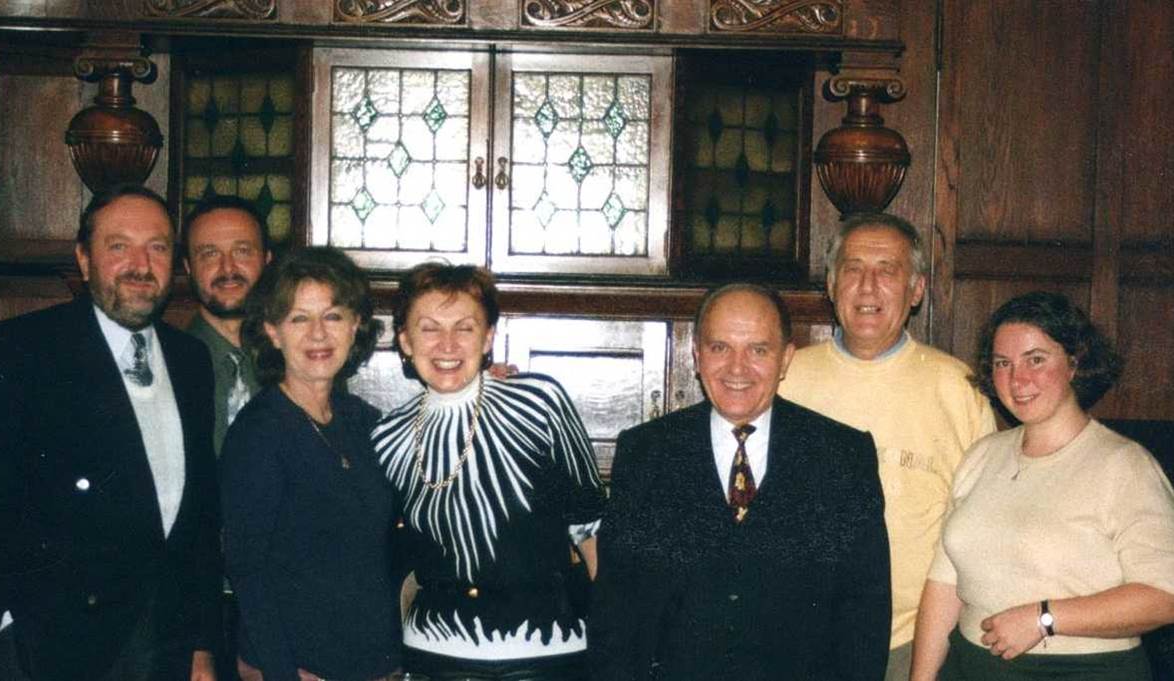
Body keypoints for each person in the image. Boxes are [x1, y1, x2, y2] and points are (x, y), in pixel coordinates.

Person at [0, 184, 220, 681]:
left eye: (157, 247)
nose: (140, 265)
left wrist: (202, 643)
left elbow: (199, 518)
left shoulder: (190, 360)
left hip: (163, 645)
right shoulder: (23, 349)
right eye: (119, 246)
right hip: (50, 647)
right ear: (84, 259)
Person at [589, 283, 892, 681]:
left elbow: (865, 618)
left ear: (785, 359)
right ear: (697, 355)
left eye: (758, 350)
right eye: (720, 348)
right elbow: (615, 614)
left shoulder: (842, 456)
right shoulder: (646, 453)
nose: (737, 368)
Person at [911, 291, 1174, 681]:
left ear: (1074, 362)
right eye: (1003, 363)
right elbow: (944, 585)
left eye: (1036, 359)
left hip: (1082, 673)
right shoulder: (982, 455)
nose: (1018, 379)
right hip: (970, 668)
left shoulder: (1124, 466)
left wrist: (1045, 618)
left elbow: (1165, 595)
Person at [778, 212, 996, 679]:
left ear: (916, 290)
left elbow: (986, 527)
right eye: (853, 269)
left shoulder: (958, 389)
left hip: (918, 644)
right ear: (831, 285)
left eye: (887, 271)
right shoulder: (784, 379)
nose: (867, 287)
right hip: (801, 639)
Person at [372, 262, 604, 681]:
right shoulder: (387, 436)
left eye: (465, 327)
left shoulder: (539, 404)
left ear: (489, 337)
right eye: (429, 328)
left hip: (549, 653)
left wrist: (615, 640)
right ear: (404, 340)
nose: (447, 344)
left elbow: (590, 528)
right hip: (434, 658)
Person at [221, 247, 402, 681]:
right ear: (273, 331)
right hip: (299, 668)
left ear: (355, 325)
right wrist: (281, 674)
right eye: (299, 318)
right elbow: (248, 570)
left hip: (373, 663)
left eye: (333, 316)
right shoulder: (259, 433)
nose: (318, 334)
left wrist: (481, 393)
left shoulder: (364, 421)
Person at [182, 194, 272, 456]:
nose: (228, 268)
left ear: (267, 260)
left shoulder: (301, 361)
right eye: (209, 254)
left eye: (242, 251)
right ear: (188, 267)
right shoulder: (164, 364)